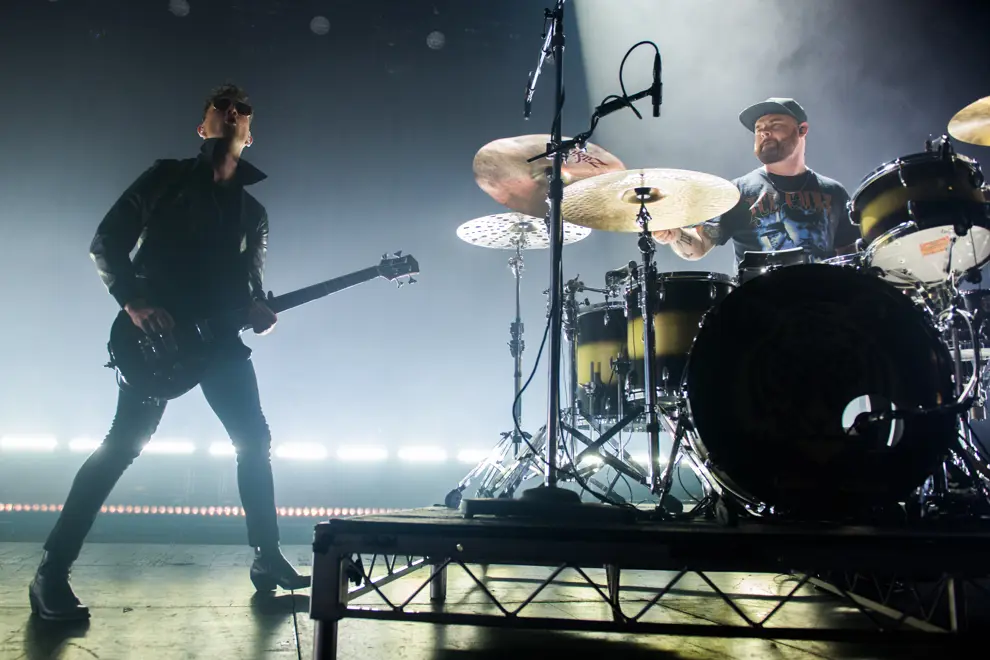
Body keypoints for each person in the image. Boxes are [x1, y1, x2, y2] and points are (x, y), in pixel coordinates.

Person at [29, 84, 310, 622]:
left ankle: (265, 557)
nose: (232, 113)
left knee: (254, 441)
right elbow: (106, 241)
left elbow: (251, 289)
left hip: (219, 342)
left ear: (250, 135)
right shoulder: (165, 178)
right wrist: (134, 302)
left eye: (242, 112)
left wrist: (259, 312)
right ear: (203, 129)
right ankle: (50, 572)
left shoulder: (253, 213)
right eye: (220, 108)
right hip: (154, 340)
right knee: (121, 447)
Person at [653, 97, 859, 262]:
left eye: (775, 125)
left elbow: (850, 258)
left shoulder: (833, 192)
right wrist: (676, 234)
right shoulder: (737, 191)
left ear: (802, 129)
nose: (764, 132)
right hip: (760, 308)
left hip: (826, 306)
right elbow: (698, 247)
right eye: (759, 128)